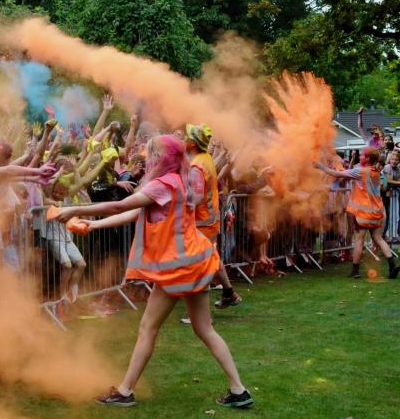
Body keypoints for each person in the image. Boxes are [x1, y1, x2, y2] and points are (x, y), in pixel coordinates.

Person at [54, 135, 252, 408]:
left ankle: (125, 391)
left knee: (148, 328)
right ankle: (239, 390)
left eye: (151, 153)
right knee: (205, 330)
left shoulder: (163, 185)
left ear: (161, 158)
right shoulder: (179, 182)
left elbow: (120, 205)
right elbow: (134, 213)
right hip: (195, 261)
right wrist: (94, 225)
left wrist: (75, 209)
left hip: (179, 268)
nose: (147, 158)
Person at [316, 147, 400, 279]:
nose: (359, 156)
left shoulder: (360, 171)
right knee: (378, 239)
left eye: (361, 155)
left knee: (359, 240)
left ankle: (355, 271)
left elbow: (336, 174)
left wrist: (320, 166)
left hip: (363, 213)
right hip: (377, 212)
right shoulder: (376, 171)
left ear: (367, 158)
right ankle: (392, 266)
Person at [185, 124, 241, 309]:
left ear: (192, 143)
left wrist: (181, 202)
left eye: (187, 137)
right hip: (208, 219)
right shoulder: (205, 158)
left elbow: (198, 196)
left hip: (202, 221)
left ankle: (201, 312)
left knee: (201, 265)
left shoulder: (196, 165)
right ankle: (228, 292)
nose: (184, 139)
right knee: (211, 258)